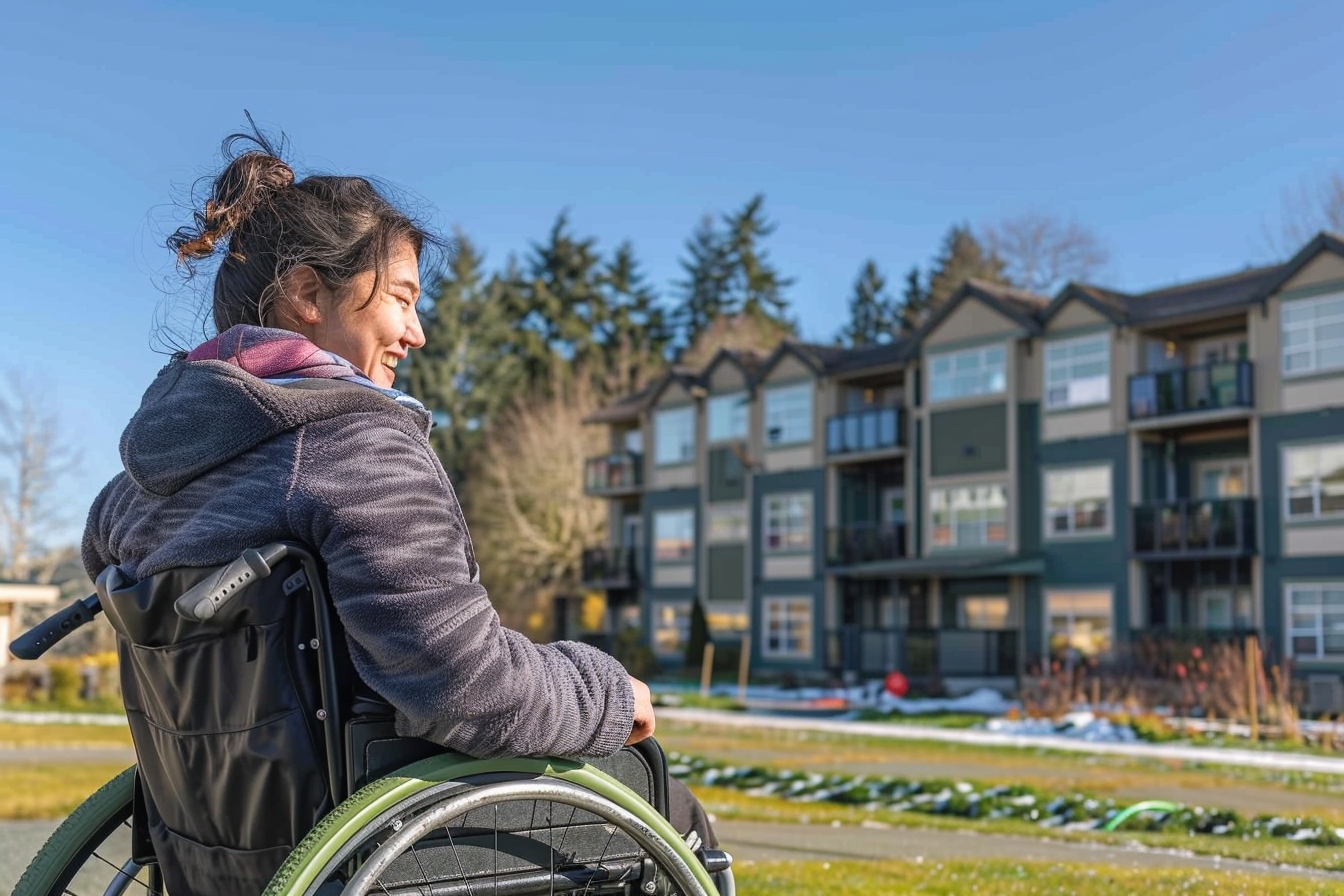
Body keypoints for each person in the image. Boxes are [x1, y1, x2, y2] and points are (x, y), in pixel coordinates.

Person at [82, 125, 714, 885]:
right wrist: (607, 691)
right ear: (309, 292)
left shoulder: (133, 493)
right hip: (369, 851)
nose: (416, 332)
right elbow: (467, 687)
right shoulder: (354, 448)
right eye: (404, 299)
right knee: (665, 804)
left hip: (209, 853)